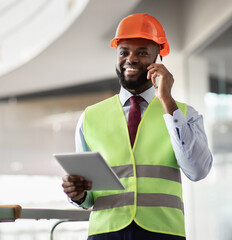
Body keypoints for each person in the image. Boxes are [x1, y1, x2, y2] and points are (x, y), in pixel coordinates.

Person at [62, 13, 213, 240]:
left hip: (163, 233)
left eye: (142, 53)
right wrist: (78, 194)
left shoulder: (183, 113)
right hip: (105, 233)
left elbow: (198, 171)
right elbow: (88, 196)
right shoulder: (90, 117)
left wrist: (167, 102)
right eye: (124, 52)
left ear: (157, 58)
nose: (130, 59)